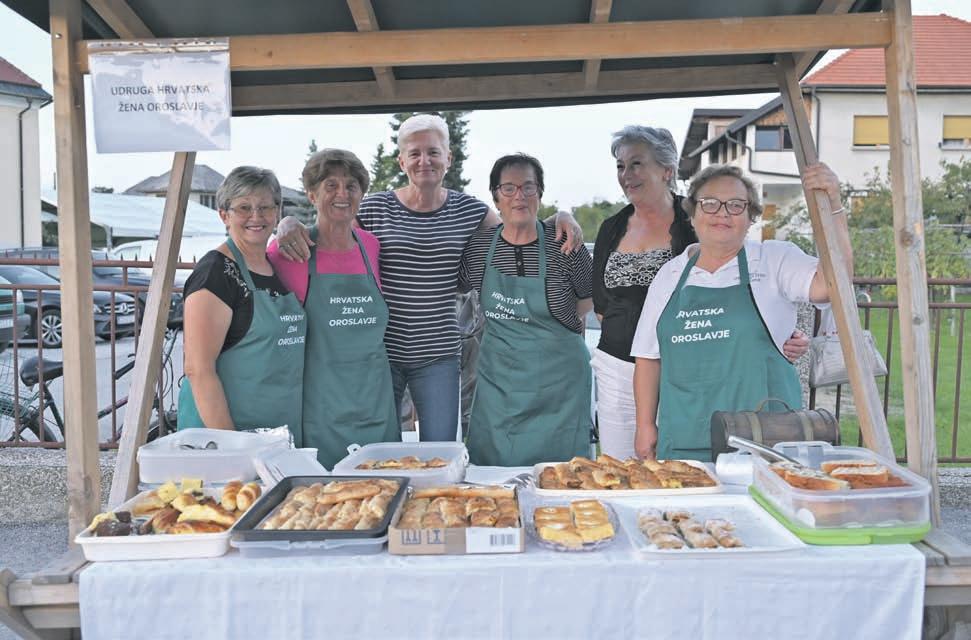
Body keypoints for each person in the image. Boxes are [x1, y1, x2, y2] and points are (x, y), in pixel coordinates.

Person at [274, 114, 582, 442]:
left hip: (439, 355)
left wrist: (560, 217)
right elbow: (332, 232)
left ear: (448, 158)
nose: (425, 161)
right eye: (415, 153)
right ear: (402, 161)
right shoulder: (373, 208)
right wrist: (287, 223)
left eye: (433, 152)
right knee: (378, 448)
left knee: (440, 450)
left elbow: (518, 232)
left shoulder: (471, 211)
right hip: (381, 356)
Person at [592, 125, 809, 459]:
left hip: (684, 372)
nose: (627, 175)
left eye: (636, 164)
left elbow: (751, 285)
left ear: (667, 171)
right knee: (620, 465)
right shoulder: (612, 227)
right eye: (621, 166)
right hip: (619, 366)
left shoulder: (700, 217)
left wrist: (778, 333)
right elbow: (601, 304)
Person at [630, 163, 846, 462]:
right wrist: (644, 426)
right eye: (710, 203)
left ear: (750, 217)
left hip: (765, 439)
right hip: (684, 437)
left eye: (735, 205)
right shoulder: (670, 275)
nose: (722, 213)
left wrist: (834, 206)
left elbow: (832, 285)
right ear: (692, 214)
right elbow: (647, 357)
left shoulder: (774, 260)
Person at [460, 153, 593, 466]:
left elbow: (588, 301)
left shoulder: (565, 244)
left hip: (560, 387)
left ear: (539, 194)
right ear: (496, 197)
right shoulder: (478, 248)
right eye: (508, 188)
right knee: (493, 478)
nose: (519, 196)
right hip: (500, 386)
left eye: (528, 187)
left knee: (563, 478)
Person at [267, 149, 398, 469]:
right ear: (312, 195)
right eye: (331, 185)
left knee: (386, 485)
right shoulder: (289, 252)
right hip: (320, 408)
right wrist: (284, 223)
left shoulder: (371, 246)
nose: (342, 194)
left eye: (351, 186)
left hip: (375, 401)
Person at [178, 167, 306, 444]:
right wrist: (233, 446)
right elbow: (198, 370)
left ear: (277, 212)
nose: (256, 217)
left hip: (275, 436)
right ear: (224, 215)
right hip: (225, 440)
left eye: (265, 207)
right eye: (244, 208)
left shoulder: (274, 265)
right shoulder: (215, 273)